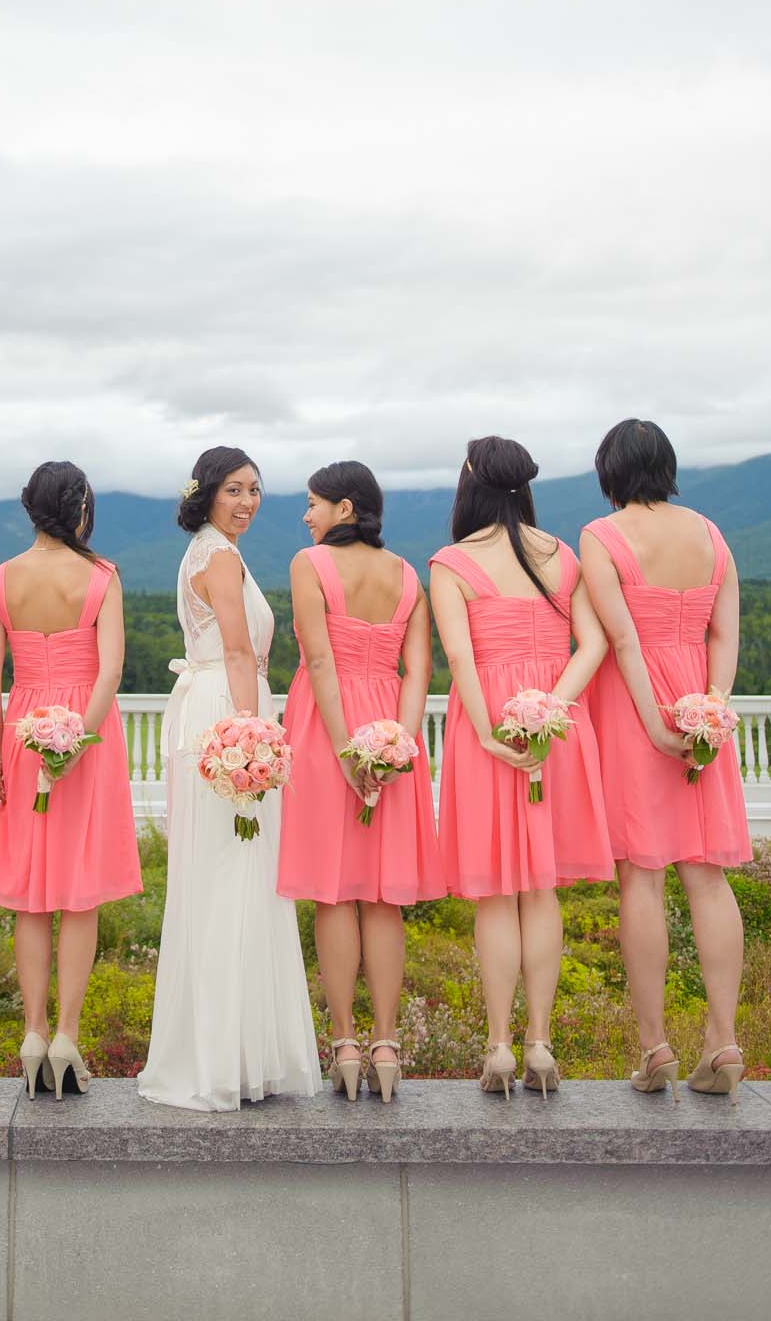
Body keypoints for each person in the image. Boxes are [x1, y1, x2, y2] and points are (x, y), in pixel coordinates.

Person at [138, 446, 320, 1111]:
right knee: (232, 874)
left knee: (223, 875)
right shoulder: (217, 555)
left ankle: (235, 1051)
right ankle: (226, 1057)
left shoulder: (205, 550)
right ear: (207, 493)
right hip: (227, 711)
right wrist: (253, 735)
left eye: (254, 490)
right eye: (233, 490)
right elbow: (239, 650)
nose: (246, 502)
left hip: (213, 705)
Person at [430, 436, 611, 1099]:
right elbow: (592, 643)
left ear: (469, 484)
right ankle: (539, 1042)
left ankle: (499, 1046)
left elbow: (461, 659)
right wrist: (548, 714)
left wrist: (489, 732)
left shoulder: (450, 562)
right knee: (541, 891)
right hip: (556, 731)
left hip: (487, 730)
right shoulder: (560, 554)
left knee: (496, 894)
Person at [580, 418, 749, 1104]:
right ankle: (723, 1038)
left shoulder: (601, 536)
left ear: (610, 470)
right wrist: (708, 711)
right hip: (699, 707)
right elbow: (725, 632)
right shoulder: (710, 534)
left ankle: (653, 1045)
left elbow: (621, 641)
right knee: (707, 878)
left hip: (634, 711)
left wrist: (654, 724)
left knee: (640, 878)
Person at [0, 461, 141, 1098]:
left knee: (31, 889)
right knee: (80, 890)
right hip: (87, 735)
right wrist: (79, 738)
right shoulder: (101, 577)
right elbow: (110, 670)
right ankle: (69, 1035)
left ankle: (34, 1031)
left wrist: (0, 746)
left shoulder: (3, 577)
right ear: (79, 510)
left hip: (23, 726)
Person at [277, 460, 444, 1102]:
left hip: (328, 725)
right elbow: (419, 667)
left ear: (345, 508)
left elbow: (319, 657)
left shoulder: (309, 563)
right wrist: (394, 745)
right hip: (388, 724)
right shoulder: (407, 574)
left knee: (334, 891)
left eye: (315, 503)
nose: (306, 515)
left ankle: (344, 1042)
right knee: (382, 896)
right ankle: (386, 1042)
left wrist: (348, 750)